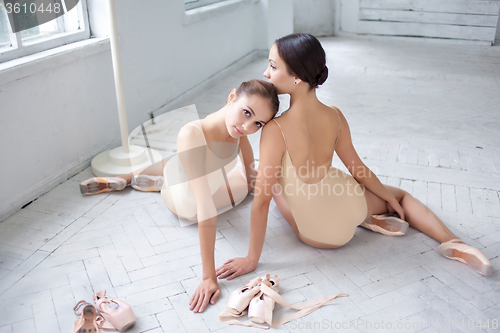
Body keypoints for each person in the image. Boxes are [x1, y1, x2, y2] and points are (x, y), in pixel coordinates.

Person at [215, 33, 493, 281]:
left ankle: (372, 218)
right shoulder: (335, 115)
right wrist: (390, 198)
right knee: (401, 195)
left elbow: (261, 202)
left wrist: (251, 259)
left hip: (319, 235)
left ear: (297, 76)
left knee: (273, 185)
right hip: (349, 204)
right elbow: (358, 168)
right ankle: (453, 242)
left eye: (273, 66)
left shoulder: (274, 129)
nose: (266, 72)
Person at [80, 79, 280, 313]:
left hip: (190, 184)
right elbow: (208, 205)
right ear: (231, 96)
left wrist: (268, 180)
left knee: (177, 163)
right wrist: (208, 277)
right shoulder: (191, 134)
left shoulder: (236, 130)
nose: (247, 126)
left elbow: (249, 168)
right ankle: (148, 182)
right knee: (199, 171)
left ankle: (131, 177)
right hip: (188, 206)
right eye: (246, 113)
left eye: (257, 123)